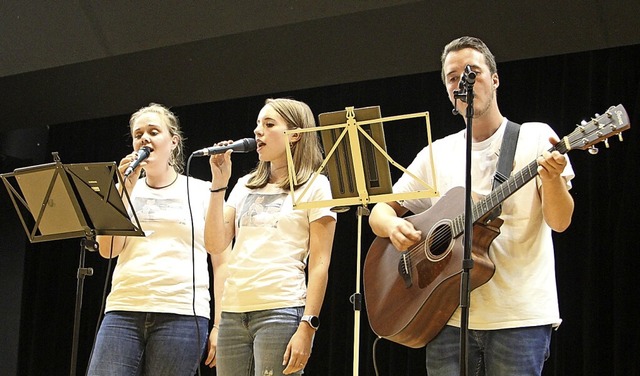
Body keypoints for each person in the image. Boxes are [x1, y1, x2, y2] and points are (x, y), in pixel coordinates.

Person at [368, 36, 575, 375]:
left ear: (494, 79)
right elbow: (380, 211)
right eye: (452, 78)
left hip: (519, 317)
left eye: (472, 72)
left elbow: (561, 221)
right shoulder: (437, 153)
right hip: (444, 316)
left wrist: (551, 179)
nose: (462, 82)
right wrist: (392, 227)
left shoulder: (535, 137)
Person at [87, 103, 224, 375]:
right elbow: (108, 250)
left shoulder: (200, 191)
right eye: (138, 134)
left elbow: (221, 262)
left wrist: (220, 325)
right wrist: (124, 189)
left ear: (173, 141)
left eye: (153, 131)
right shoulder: (124, 190)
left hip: (182, 313)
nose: (144, 139)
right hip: (124, 308)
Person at [203, 98, 337, 375]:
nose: (257, 131)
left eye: (269, 124)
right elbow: (215, 244)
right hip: (233, 313)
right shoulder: (244, 185)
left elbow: (320, 263)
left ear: (295, 134)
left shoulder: (315, 185)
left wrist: (308, 326)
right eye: (257, 124)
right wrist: (219, 184)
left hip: (281, 310)